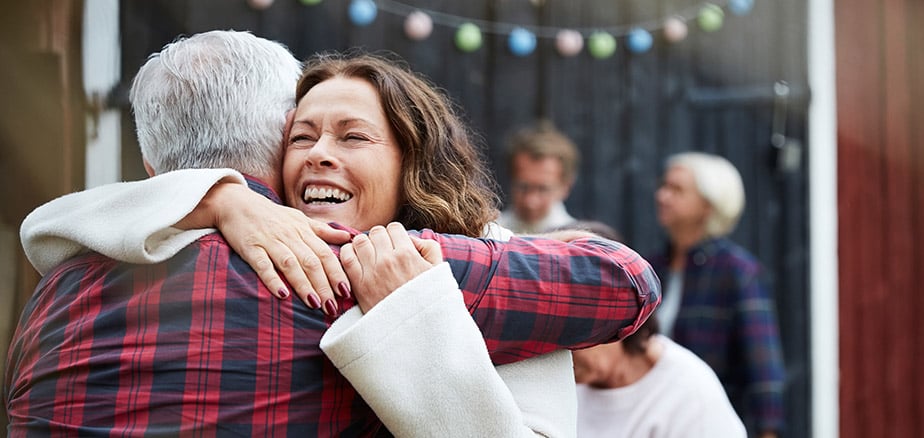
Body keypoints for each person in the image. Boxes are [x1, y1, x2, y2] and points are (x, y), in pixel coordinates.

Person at [7, 32, 660, 437]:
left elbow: (48, 227)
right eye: (304, 136)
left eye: (352, 136)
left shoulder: (54, 290)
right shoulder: (326, 268)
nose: (321, 154)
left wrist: (212, 194)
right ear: (274, 145)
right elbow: (626, 282)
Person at [648, 151, 785, 437]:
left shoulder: (738, 271)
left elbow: (763, 367)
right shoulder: (652, 267)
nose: (662, 195)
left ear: (708, 206)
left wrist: (768, 431)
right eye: (664, 186)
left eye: (677, 190)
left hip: (710, 420)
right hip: (655, 417)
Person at [572, 315, 746, 437]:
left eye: (571, 336)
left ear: (617, 324)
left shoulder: (691, 396)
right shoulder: (564, 382)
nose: (559, 353)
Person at [497, 120, 581, 234]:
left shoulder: (578, 243)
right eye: (523, 187)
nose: (530, 202)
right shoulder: (488, 234)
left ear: (566, 187)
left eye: (543, 189)